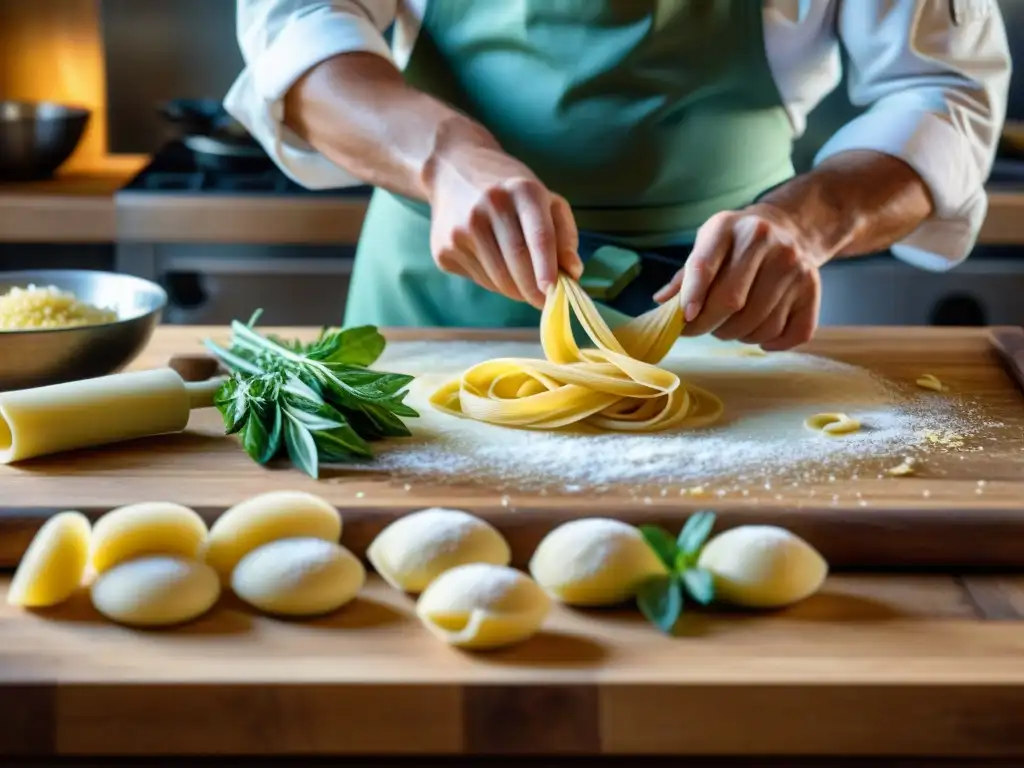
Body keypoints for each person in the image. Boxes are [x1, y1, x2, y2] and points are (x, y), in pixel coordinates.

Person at [226, 0, 1011, 350]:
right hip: (433, 306)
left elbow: (940, 90)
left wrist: (803, 223)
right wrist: (441, 158)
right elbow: (294, 28)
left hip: (724, 313)